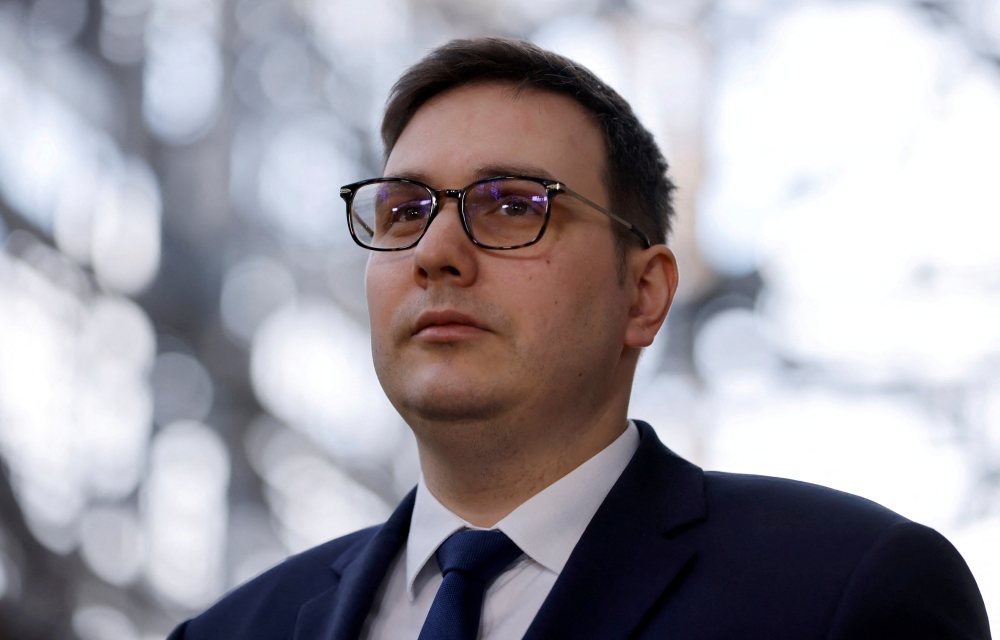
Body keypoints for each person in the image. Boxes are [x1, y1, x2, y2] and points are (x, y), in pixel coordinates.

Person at [169, 37, 990, 640]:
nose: (435, 252)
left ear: (644, 294)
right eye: (403, 210)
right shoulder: (226, 633)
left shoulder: (843, 593)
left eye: (511, 205)